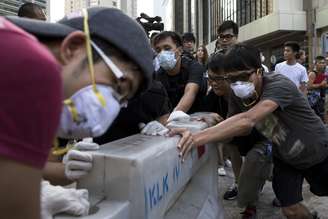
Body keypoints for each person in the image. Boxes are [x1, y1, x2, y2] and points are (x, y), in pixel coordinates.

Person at [6, 7, 154, 218]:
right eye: (118, 86)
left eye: (121, 100)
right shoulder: (30, 64)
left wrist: (56, 175)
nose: (109, 110)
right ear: (73, 48)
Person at [172, 43, 328, 219]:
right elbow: (240, 129)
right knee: (290, 209)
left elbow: (247, 120)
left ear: (259, 71)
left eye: (244, 76)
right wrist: (213, 123)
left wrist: (196, 137)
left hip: (317, 149)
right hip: (286, 157)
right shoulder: (238, 96)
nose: (238, 84)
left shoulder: (278, 84)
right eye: (232, 79)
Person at [203, 53, 273, 219]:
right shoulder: (212, 96)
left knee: (258, 163)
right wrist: (207, 117)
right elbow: (203, 114)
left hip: (261, 135)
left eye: (219, 78)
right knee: (234, 153)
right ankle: (245, 195)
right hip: (234, 138)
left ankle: (273, 188)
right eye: (210, 78)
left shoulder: (250, 91)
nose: (213, 83)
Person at [152, 31, 206, 116]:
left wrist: (172, 117)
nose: (162, 53)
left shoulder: (194, 67)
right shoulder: (158, 76)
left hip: (197, 118)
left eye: (167, 48)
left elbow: (190, 91)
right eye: (158, 50)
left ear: (180, 50)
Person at [308, 55, 327, 121]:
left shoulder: (324, 73)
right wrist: (320, 85)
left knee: (322, 116)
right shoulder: (312, 74)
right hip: (313, 100)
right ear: (315, 64)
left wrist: (325, 85)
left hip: (321, 98)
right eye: (320, 63)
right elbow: (309, 86)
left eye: (323, 63)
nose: (322, 64)